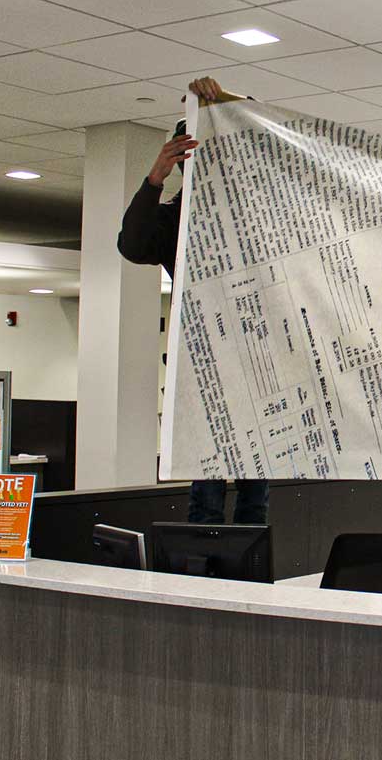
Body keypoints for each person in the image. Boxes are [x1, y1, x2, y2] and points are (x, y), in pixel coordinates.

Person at [117, 76, 269, 525]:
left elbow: (262, 134)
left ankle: (243, 583)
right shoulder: (173, 222)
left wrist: (226, 101)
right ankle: (201, 585)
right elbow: (132, 244)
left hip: (257, 365)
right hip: (203, 369)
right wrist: (154, 179)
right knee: (206, 492)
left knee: (253, 494)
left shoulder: (255, 213)